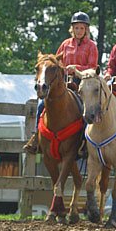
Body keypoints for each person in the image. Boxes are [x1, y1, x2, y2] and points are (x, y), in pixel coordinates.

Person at [23, 11, 98, 154]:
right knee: (41, 104)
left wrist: (76, 69)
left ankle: (85, 142)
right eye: (76, 28)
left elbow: (93, 67)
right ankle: (36, 137)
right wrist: (61, 67)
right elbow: (55, 62)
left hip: (83, 82)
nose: (79, 31)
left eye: (82, 28)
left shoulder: (91, 46)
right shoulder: (65, 44)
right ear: (72, 29)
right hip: (63, 82)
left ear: (86, 29)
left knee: (86, 109)